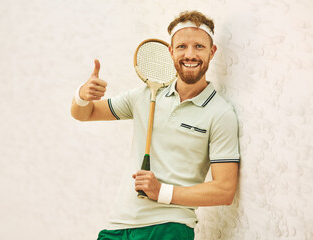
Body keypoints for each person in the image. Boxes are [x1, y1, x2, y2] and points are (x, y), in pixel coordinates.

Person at [71, 10, 240, 240]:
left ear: (212, 52)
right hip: (118, 227)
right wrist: (83, 95)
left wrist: (162, 192)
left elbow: (224, 190)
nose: (190, 54)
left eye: (199, 46)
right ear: (171, 52)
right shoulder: (145, 94)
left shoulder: (220, 113)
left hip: (169, 228)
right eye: (182, 47)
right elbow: (85, 114)